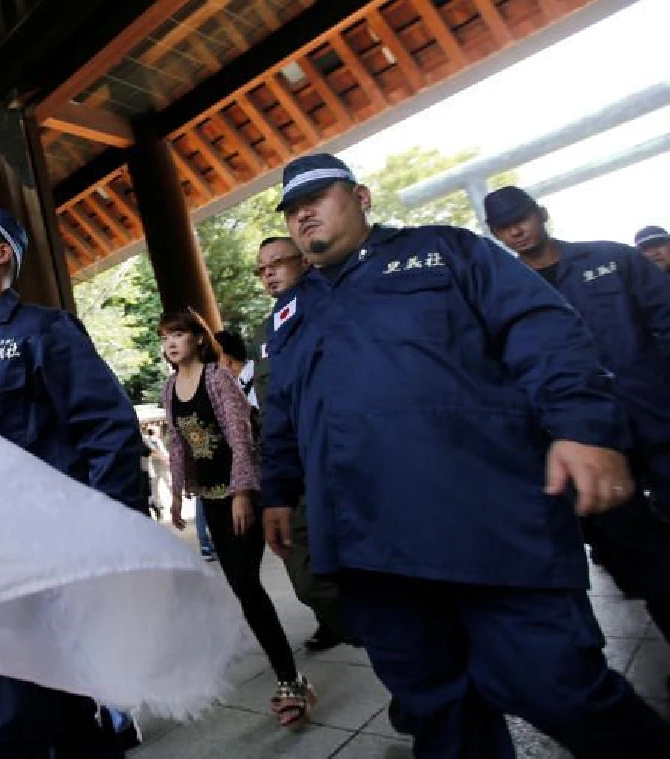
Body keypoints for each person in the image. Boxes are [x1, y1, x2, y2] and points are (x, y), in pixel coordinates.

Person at [261, 153, 670, 757]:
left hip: (484, 521)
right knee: (440, 715)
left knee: (558, 690)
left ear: (362, 197)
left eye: (317, 199)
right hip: (371, 548)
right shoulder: (291, 314)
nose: (304, 216)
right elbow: (282, 412)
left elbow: (541, 327)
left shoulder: (446, 253)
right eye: (293, 210)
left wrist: (583, 426)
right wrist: (276, 487)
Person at [0, 207, 145, 758]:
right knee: (70, 718)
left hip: (40, 562)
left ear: (3, 254)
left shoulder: (45, 330)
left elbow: (110, 431)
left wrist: (115, 541)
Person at [486, 186, 670, 649]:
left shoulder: (612, 259)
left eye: (522, 218)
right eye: (504, 226)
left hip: (655, 420)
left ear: (540, 214)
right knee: (642, 558)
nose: (516, 230)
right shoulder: (498, 296)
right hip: (590, 442)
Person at [160, 308, 315, 729]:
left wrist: (244, 492)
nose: (171, 344)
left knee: (247, 584)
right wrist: (177, 498)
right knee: (243, 587)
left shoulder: (218, 378)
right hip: (209, 500)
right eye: (165, 338)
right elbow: (177, 445)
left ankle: (290, 681)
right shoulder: (171, 386)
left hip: (239, 495)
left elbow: (240, 437)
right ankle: (291, 675)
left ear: (197, 338)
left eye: (178, 335)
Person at [249, 236, 351, 655]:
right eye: (262, 268)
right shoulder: (268, 328)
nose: (269, 272)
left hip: (344, 454)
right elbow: (272, 407)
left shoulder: (332, 300)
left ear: (304, 261)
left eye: (278, 262)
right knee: (308, 574)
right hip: (299, 465)